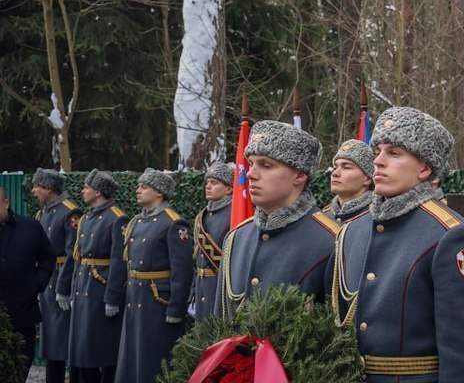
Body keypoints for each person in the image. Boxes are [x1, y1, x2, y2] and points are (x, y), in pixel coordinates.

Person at [330, 106, 464, 382]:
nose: (378, 161)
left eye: (394, 153)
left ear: (425, 168)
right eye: (377, 151)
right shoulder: (351, 231)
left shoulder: (449, 235)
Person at [216, 120, 338, 315]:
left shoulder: (332, 241)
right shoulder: (236, 238)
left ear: (299, 175)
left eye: (266, 165)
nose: (250, 174)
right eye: (251, 164)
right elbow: (219, 324)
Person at [113, 169, 193, 383]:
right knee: (132, 357)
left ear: (159, 192)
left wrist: (176, 308)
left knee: (152, 360)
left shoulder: (174, 223)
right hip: (135, 298)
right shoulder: (137, 221)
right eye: (138, 186)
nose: (138, 190)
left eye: (144, 187)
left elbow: (182, 270)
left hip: (157, 302)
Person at [59, 170, 129, 383]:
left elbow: (119, 261)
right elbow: (76, 254)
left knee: (102, 350)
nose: (83, 191)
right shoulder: (87, 217)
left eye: (86, 187)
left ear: (97, 192)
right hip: (83, 285)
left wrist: (113, 297)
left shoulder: (117, 219)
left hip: (100, 289)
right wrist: (64, 287)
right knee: (80, 347)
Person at [0, 185, 55, 383]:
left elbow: (48, 258)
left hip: (22, 311)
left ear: (6, 203)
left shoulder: (30, 227)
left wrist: (37, 284)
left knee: (21, 364)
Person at [31, 168, 81, 383]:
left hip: (61, 278)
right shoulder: (43, 212)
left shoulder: (70, 212)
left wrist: (64, 287)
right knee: (51, 336)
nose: (33, 191)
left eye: (37, 186)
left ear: (49, 189)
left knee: (63, 337)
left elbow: (72, 254)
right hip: (47, 279)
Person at [192, 162, 233, 321]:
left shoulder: (234, 215)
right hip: (202, 287)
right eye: (207, 182)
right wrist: (194, 291)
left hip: (220, 288)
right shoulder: (202, 216)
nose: (208, 186)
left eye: (214, 183)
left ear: (229, 188)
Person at [324, 139, 373, 224]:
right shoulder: (323, 216)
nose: (335, 173)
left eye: (346, 167)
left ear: (368, 178)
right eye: (335, 168)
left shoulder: (376, 217)